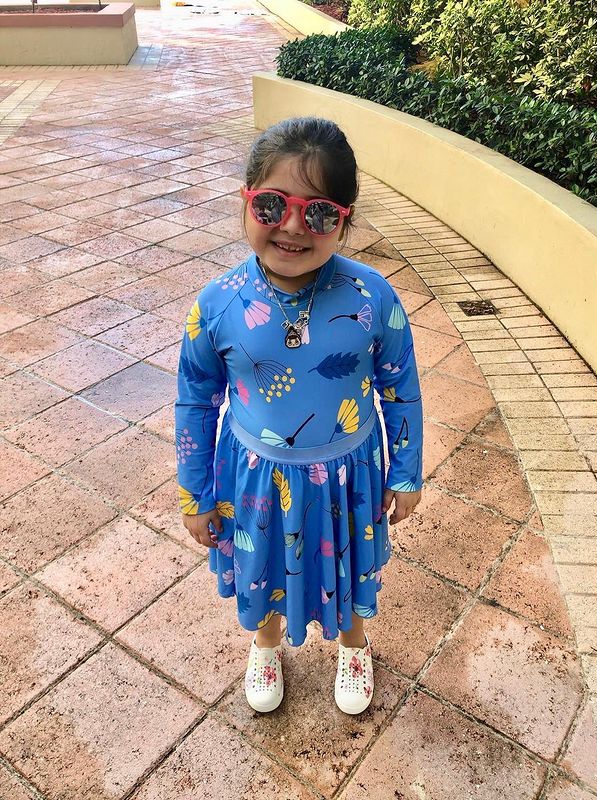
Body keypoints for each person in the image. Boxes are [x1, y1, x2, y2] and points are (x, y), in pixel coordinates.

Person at [175, 117, 423, 716]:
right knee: (261, 562)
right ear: (246, 202)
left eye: (318, 214)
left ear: (345, 219)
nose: (291, 227)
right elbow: (196, 400)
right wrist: (195, 492)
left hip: (347, 477)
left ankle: (353, 643)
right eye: (272, 205)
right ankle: (265, 642)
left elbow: (401, 389)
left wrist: (406, 471)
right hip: (256, 479)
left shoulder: (372, 297)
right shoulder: (217, 304)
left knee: (348, 561)